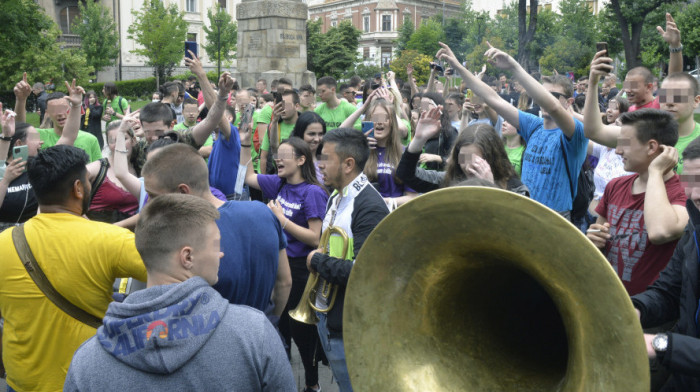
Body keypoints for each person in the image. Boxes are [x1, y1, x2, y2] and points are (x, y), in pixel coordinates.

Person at [64, 193, 295, 391]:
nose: (221, 254)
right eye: (216, 245)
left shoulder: (87, 362)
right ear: (187, 257)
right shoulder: (254, 334)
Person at [0, 145, 147, 392]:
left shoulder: (4, 242)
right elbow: (172, 275)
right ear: (78, 189)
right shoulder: (110, 239)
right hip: (85, 379)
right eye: (87, 181)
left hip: (21, 379)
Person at [437, 42, 587, 217]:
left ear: (569, 102)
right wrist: (458, 67)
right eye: (542, 93)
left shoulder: (576, 132)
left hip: (556, 217)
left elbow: (554, 108)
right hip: (524, 211)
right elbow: (493, 99)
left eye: (552, 96)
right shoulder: (534, 125)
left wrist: (514, 67)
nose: (544, 99)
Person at [141, 143, 291, 317]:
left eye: (153, 196)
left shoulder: (186, 240)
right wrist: (269, 323)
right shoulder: (263, 212)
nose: (148, 205)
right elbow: (284, 282)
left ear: (183, 192)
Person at [239, 135, 328, 392]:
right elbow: (248, 177)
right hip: (277, 266)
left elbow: (315, 237)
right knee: (279, 327)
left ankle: (312, 384)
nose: (278, 159)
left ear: (301, 160)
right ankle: (282, 380)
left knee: (301, 331)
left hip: (301, 270)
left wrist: (281, 220)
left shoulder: (312, 192)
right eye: (278, 155)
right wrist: (246, 144)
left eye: (285, 155)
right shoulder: (278, 184)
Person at [309, 127, 389, 391]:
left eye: (326, 158)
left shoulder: (369, 206)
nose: (319, 164)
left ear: (348, 164)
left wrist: (317, 263)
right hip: (330, 316)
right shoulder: (336, 194)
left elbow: (364, 272)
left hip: (349, 328)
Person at [586, 109, 687, 296]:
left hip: (648, 313)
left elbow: (660, 232)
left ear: (651, 147)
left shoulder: (682, 192)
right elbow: (597, 232)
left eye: (625, 144)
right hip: (608, 296)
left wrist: (656, 172)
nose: (617, 151)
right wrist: (593, 237)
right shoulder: (616, 185)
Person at [630, 137, 700, 392]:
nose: (695, 194)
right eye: (690, 182)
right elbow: (668, 290)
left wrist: (662, 345)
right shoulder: (694, 229)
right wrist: (633, 310)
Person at [398, 109, 528, 195]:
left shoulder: (516, 189)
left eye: (477, 160)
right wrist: (419, 140)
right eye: (464, 158)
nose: (468, 166)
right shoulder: (451, 181)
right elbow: (405, 174)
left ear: (493, 159)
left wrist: (490, 187)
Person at [85, 121, 139, 223]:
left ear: (133, 140)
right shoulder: (98, 168)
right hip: (102, 235)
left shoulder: (140, 167)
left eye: (123, 139)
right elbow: (66, 187)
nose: (119, 145)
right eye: (112, 141)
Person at [260, 90, 301, 174]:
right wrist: (264, 181)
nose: (282, 108)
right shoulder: (273, 126)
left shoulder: (305, 126)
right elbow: (264, 156)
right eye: (279, 105)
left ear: (296, 106)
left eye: (286, 105)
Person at [416, 92, 458, 171]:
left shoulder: (450, 131)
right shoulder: (419, 129)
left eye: (426, 104)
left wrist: (437, 158)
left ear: (438, 106)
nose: (422, 107)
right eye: (421, 104)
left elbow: (457, 160)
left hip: (439, 177)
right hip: (420, 176)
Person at [292, 111, 327, 185]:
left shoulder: (324, 157)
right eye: (312, 134)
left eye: (320, 134)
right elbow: (274, 149)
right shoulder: (290, 156)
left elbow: (340, 132)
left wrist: (358, 111)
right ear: (300, 133)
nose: (317, 139)